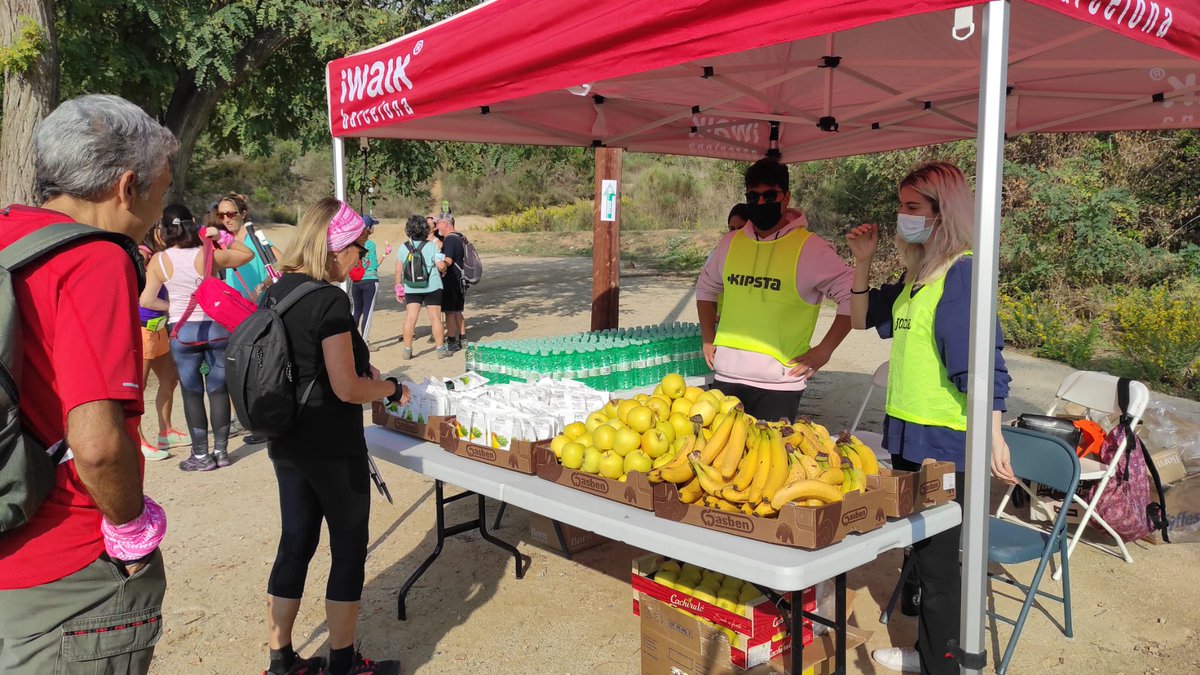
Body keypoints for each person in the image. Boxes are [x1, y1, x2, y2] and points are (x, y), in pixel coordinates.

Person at [0, 94, 176, 674]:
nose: (162, 207)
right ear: (128, 185)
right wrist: (131, 534)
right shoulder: (93, 260)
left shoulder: (9, 236)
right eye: (162, 188)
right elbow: (97, 445)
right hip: (67, 569)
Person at [849, 161, 1016, 675]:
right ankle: (926, 647)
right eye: (901, 206)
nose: (904, 216)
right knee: (920, 546)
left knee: (941, 563)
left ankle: (943, 663)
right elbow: (860, 319)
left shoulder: (961, 273)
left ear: (944, 214)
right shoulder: (917, 273)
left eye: (913, 208)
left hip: (945, 441)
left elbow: (982, 365)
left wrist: (993, 437)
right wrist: (862, 261)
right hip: (907, 435)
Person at [261, 197, 409, 675]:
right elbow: (346, 387)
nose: (362, 259)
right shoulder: (329, 300)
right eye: (359, 248)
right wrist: (390, 388)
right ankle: (342, 664)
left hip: (287, 439)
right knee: (348, 545)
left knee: (295, 543)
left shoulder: (277, 291)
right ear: (336, 246)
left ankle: (281, 659)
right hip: (331, 444)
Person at [695, 158, 855, 422]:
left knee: (766, 463)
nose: (760, 203)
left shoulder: (811, 248)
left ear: (787, 197)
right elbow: (705, 287)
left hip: (779, 385)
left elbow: (853, 296)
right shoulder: (730, 243)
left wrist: (826, 349)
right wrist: (707, 336)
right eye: (753, 196)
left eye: (770, 195)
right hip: (726, 377)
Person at [140, 205, 253, 472]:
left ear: (165, 230)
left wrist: (173, 308)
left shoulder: (159, 261)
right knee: (218, 389)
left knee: (192, 392)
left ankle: (201, 456)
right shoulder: (208, 254)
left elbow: (146, 299)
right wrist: (220, 236)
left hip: (183, 332)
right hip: (216, 329)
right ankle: (222, 452)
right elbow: (246, 254)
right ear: (192, 224)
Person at [137, 223, 187, 460]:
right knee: (139, 387)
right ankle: (138, 441)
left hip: (159, 326)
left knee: (169, 379)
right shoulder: (143, 253)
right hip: (142, 327)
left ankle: (165, 431)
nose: (165, 232)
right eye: (160, 228)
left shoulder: (163, 255)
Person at [398, 215, 450, 359]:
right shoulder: (432, 246)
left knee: (410, 318)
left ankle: (407, 350)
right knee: (435, 318)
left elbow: (398, 270)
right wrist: (444, 266)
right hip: (432, 286)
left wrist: (398, 287)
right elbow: (440, 266)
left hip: (411, 287)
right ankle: (440, 349)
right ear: (425, 229)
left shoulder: (403, 247)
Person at [217, 193, 281, 300]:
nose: (226, 220)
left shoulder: (254, 238)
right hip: (237, 308)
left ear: (243, 214)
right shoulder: (229, 242)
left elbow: (283, 265)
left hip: (258, 308)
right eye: (221, 216)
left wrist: (261, 287)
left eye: (230, 214)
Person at [351, 215, 390, 349]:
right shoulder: (370, 244)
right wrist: (383, 256)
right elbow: (373, 265)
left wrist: (384, 255)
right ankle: (364, 342)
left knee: (356, 310)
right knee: (367, 311)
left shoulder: (352, 243)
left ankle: (351, 339)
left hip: (356, 281)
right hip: (370, 281)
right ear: (368, 228)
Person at [435, 215, 468, 351]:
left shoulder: (449, 240)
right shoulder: (460, 237)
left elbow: (448, 260)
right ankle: (463, 338)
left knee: (450, 312)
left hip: (451, 280)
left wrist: (438, 262)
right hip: (461, 279)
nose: (437, 226)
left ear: (445, 223)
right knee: (458, 310)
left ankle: (452, 341)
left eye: (438, 223)